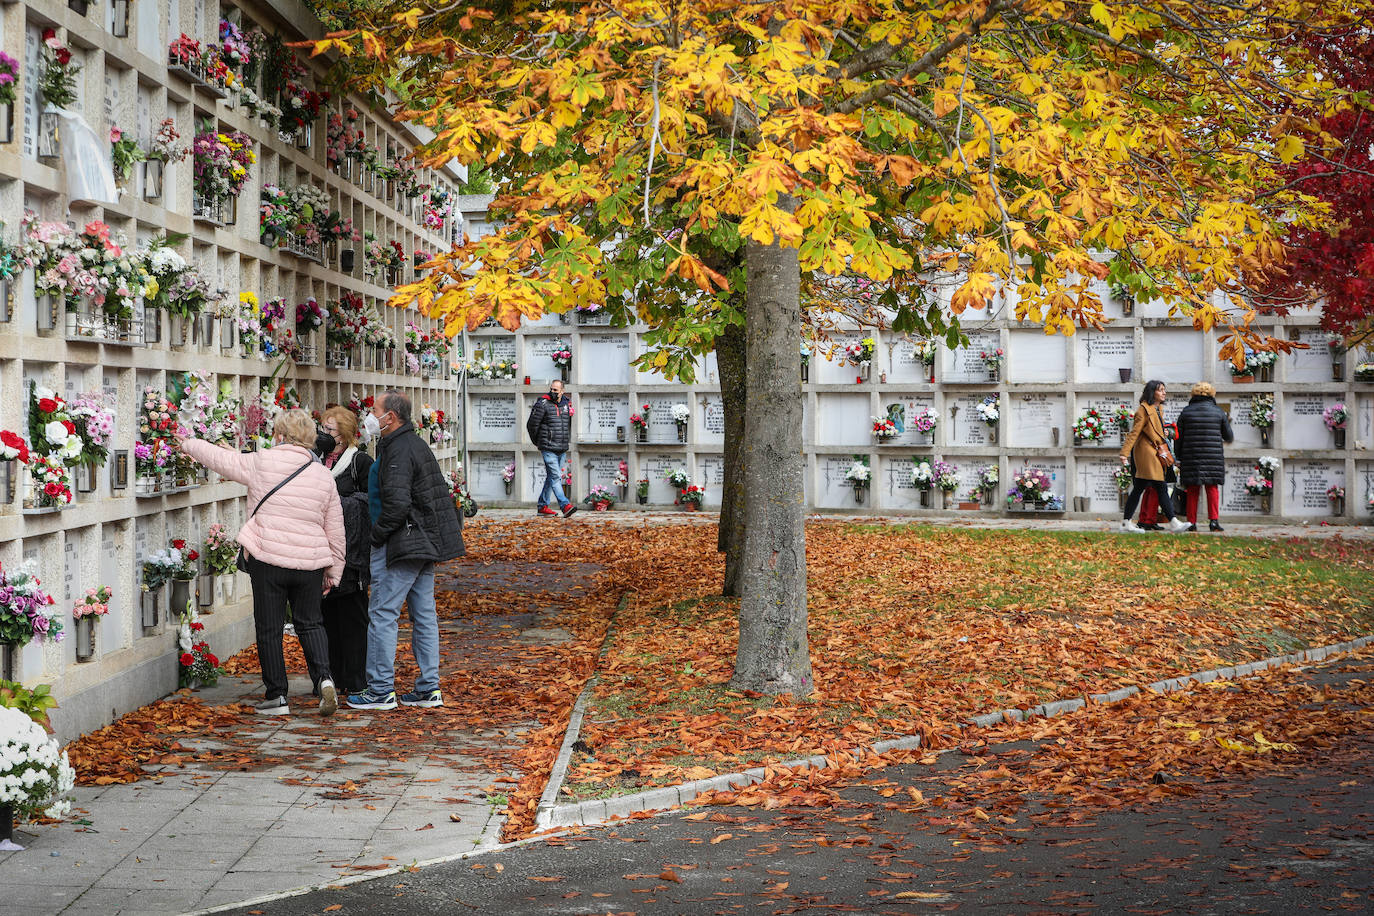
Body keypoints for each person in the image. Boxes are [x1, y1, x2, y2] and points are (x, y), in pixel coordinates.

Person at [178, 409, 345, 716]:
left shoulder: (263, 461)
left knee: (269, 627)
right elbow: (335, 526)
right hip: (309, 563)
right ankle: (324, 679)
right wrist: (334, 571)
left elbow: (222, 461)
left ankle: (277, 695)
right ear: (309, 438)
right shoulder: (322, 473)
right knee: (310, 623)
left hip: (269, 559)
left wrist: (188, 443)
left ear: (280, 436)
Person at [348, 390, 465, 711]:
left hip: (400, 543)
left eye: (375, 411)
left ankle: (380, 689)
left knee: (382, 614)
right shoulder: (413, 444)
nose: (370, 417)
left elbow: (397, 504)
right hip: (421, 543)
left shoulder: (399, 450)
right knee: (424, 616)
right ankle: (428, 688)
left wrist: (377, 536)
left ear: (391, 417)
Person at [316, 406, 374, 695]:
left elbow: (370, 500)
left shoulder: (359, 461)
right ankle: (329, 678)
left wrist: (339, 505)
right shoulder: (316, 461)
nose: (323, 435)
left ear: (346, 433)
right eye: (322, 429)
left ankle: (355, 678)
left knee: (352, 617)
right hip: (322, 550)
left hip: (352, 555)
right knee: (325, 619)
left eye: (330, 430)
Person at [1118, 380, 1190, 533]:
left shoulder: (1158, 409)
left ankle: (1126, 523)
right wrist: (1124, 454)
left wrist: (1162, 432)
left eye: (1164, 390)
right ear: (1152, 392)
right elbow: (1134, 433)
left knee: (1140, 488)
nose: (1164, 393)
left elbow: (1154, 430)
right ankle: (1173, 522)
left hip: (1154, 452)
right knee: (1160, 486)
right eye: (1160, 390)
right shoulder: (1143, 410)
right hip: (1146, 453)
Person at [1174, 381, 1234, 532]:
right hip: (1213, 457)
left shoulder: (1186, 412)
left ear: (1193, 394)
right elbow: (1228, 436)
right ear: (1212, 394)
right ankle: (1213, 522)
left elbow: (1178, 438)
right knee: (1212, 488)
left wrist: (1179, 457)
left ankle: (1191, 523)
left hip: (1191, 456)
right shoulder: (1218, 412)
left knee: (1193, 489)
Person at [525, 378, 578, 518]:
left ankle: (542, 506)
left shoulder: (566, 404)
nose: (553, 392)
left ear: (562, 391)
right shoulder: (542, 403)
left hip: (561, 448)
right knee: (555, 476)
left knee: (551, 477)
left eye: (556, 390)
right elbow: (531, 425)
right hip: (548, 448)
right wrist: (540, 443)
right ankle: (565, 505)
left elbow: (566, 425)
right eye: (552, 389)